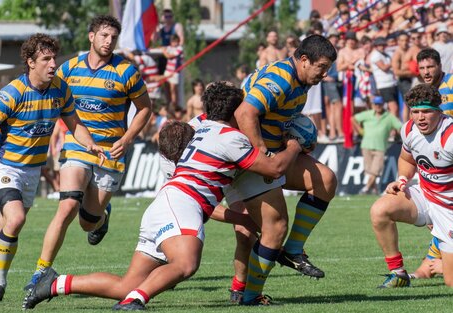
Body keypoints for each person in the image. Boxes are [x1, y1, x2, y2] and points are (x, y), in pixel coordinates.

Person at [22, 81, 301, 310]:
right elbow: (274, 168)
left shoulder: (202, 127)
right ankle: (135, 301)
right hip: (181, 204)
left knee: (126, 284)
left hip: (166, 204)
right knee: (186, 263)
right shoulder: (231, 137)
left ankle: (54, 284)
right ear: (236, 111)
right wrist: (294, 145)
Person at [25, 15, 152, 290]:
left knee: (87, 223)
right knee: (68, 204)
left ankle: (101, 216)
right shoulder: (69, 68)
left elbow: (145, 109)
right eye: (104, 36)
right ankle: (41, 271)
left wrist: (128, 138)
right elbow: (48, 95)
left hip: (111, 153)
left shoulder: (126, 72)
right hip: (77, 146)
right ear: (91, 37)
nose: (109, 42)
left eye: (113, 38)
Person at [0, 33, 104, 301]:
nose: (52, 64)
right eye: (46, 59)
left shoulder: (60, 89)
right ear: (30, 62)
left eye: (53, 59)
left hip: (32, 172)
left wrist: (91, 145)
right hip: (5, 168)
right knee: (15, 219)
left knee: (1, 230)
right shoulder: (12, 93)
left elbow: (74, 124)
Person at [233, 34, 338, 305]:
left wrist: (297, 138)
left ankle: (292, 251)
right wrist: (263, 157)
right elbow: (245, 114)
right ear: (304, 60)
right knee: (271, 228)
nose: (325, 74)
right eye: (322, 67)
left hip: (268, 151)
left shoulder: (300, 83)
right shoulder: (280, 78)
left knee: (325, 180)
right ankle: (249, 295)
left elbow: (274, 118)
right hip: (245, 156)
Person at [370, 83, 453, 288]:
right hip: (425, 195)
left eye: (426, 112)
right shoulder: (408, 129)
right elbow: (407, 160)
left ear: (439, 112)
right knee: (380, 210)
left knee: (451, 280)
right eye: (415, 112)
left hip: (449, 207)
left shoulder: (450, 136)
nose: (420, 118)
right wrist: (402, 180)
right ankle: (398, 274)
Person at [351, 96, 402, 195]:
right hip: (366, 145)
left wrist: (401, 136)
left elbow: (399, 126)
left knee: (375, 170)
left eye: (379, 104)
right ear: (372, 105)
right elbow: (353, 119)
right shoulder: (367, 114)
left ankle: (365, 188)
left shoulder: (389, 116)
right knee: (370, 171)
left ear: (383, 104)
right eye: (376, 104)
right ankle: (374, 190)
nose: (378, 106)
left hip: (380, 147)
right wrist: (360, 131)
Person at [417, 48, 453, 116]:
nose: (426, 72)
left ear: (440, 66)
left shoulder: (451, 82)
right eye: (422, 68)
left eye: (430, 67)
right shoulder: (422, 92)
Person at [370, 37, 399, 118]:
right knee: (394, 108)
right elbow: (384, 68)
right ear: (376, 46)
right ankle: (394, 129)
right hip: (384, 85)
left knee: (392, 109)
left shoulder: (385, 54)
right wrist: (394, 61)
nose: (382, 47)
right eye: (380, 45)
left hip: (392, 83)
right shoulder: (375, 55)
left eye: (383, 45)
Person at [162, 34, 183, 110]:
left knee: (173, 89)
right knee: (166, 88)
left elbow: (169, 56)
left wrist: (164, 52)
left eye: (176, 41)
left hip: (175, 72)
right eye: (173, 41)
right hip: (167, 71)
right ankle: (168, 103)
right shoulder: (169, 48)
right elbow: (163, 49)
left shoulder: (179, 48)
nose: (175, 43)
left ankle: (174, 105)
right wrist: (164, 50)